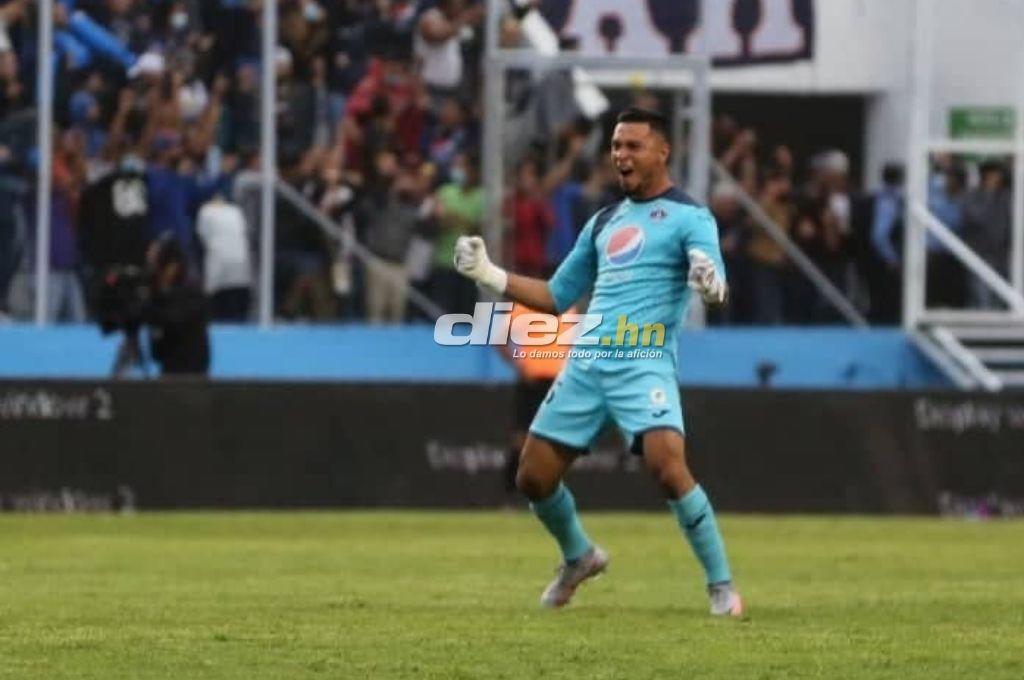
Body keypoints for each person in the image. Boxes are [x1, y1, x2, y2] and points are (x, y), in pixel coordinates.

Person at [452, 108, 742, 616]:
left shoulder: (691, 217)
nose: (621, 156)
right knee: (533, 479)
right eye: (616, 146)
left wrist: (711, 283)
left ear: (661, 152)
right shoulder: (604, 221)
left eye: (633, 145)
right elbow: (555, 296)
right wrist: (491, 274)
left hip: (644, 360)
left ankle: (721, 587)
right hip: (587, 362)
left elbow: (710, 275)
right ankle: (579, 556)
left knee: (667, 466)